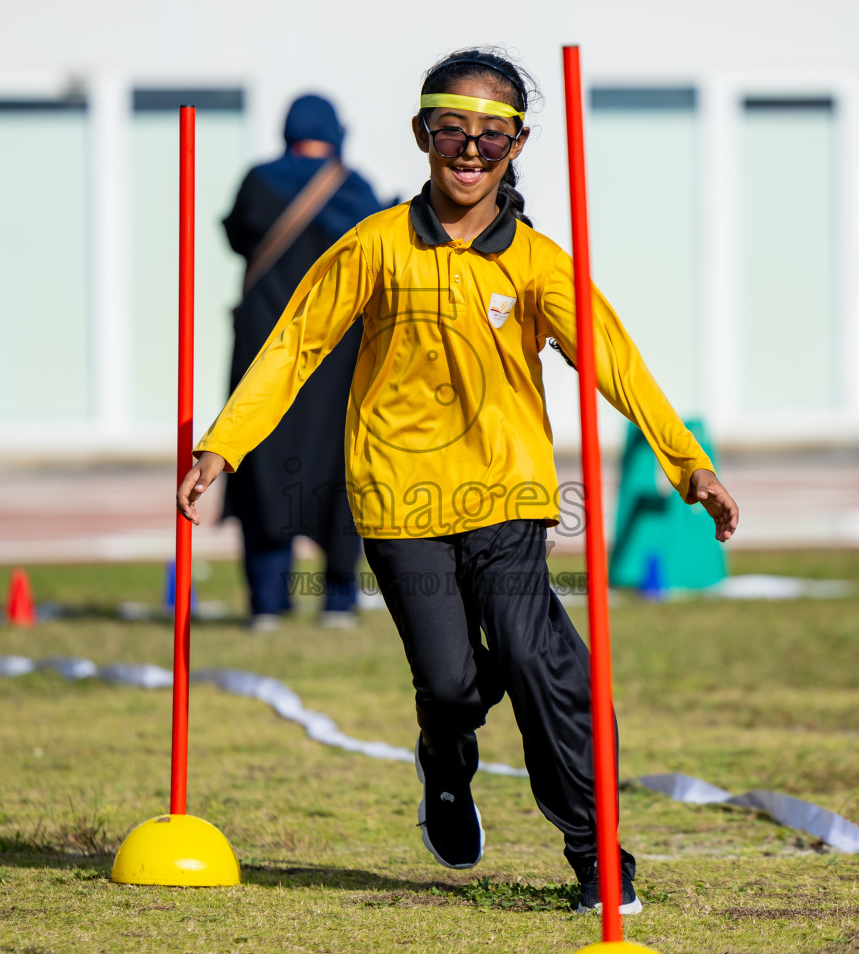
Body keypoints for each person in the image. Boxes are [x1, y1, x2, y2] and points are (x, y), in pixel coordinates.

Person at [181, 49, 739, 913]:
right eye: (453, 131)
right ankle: (444, 765)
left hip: (506, 496)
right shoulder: (372, 245)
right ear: (422, 135)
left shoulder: (537, 264)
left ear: (517, 146)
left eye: (493, 135)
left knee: (531, 654)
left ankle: (595, 851)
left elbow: (614, 361)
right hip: (399, 502)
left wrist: (686, 464)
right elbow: (292, 347)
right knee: (448, 685)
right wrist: (223, 446)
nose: (471, 150)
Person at [220, 94, 384, 632]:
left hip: (265, 350)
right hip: (337, 354)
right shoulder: (353, 188)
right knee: (341, 470)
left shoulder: (259, 181)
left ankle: (267, 603)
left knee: (261, 464)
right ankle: (338, 601)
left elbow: (236, 234)